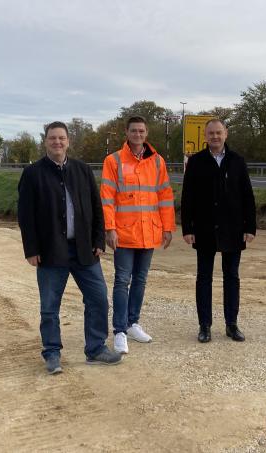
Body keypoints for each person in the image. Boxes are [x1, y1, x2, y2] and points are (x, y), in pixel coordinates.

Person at [18, 121, 123, 374]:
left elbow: (96, 208)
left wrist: (98, 240)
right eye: (52, 138)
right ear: (45, 141)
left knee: (98, 299)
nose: (57, 142)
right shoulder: (32, 173)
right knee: (49, 307)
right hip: (51, 251)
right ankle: (52, 354)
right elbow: (25, 216)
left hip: (84, 250)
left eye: (61, 138)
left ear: (68, 141)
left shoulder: (82, 170)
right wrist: (31, 249)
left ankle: (96, 349)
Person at [100, 116, 175, 354]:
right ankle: (119, 330)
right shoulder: (113, 161)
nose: (138, 134)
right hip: (124, 232)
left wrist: (168, 227)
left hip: (149, 230)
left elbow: (164, 195)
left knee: (140, 280)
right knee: (122, 280)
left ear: (146, 133)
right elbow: (107, 198)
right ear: (127, 132)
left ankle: (133, 323)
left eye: (142, 131)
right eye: (134, 131)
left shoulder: (157, 161)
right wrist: (109, 228)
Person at [181, 119, 256, 343]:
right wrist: (187, 228)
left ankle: (231, 324)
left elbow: (247, 196)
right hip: (204, 229)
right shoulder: (195, 162)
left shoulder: (237, 161)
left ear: (226, 134)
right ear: (205, 136)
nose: (215, 137)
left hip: (233, 228)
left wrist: (250, 227)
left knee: (231, 277)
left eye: (218, 133)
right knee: (203, 277)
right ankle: (204, 325)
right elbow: (188, 198)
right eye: (211, 133)